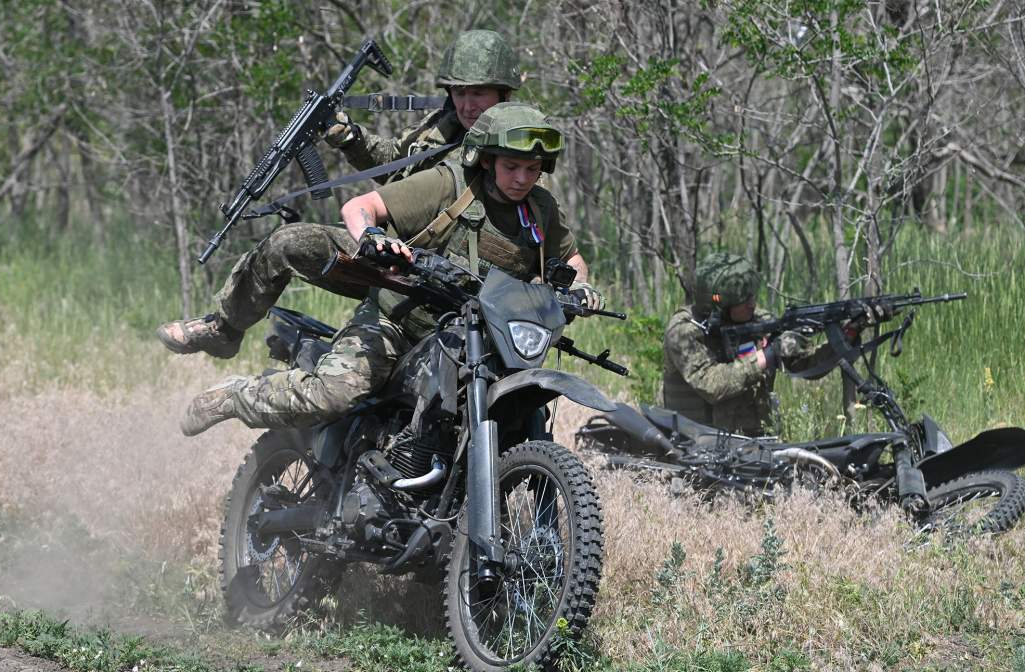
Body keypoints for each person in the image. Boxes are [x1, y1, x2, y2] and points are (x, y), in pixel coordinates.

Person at [157, 102, 602, 436]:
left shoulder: (541, 209)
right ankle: (236, 396)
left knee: (529, 417)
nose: (522, 178)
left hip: (478, 344)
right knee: (335, 392)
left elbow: (572, 260)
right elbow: (361, 206)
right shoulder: (450, 184)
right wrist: (372, 236)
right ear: (486, 160)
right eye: (511, 166)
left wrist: (581, 287)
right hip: (397, 320)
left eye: (532, 169)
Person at [662, 252, 886, 436]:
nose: (753, 303)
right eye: (744, 300)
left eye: (752, 296)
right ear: (720, 306)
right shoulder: (684, 331)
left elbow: (807, 366)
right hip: (694, 441)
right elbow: (712, 384)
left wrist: (850, 331)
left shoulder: (760, 321)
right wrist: (768, 355)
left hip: (755, 439)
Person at [324, 29, 521, 182]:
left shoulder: (520, 141)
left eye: (478, 93)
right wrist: (352, 139)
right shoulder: (443, 125)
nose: (467, 106)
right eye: (460, 93)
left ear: (504, 93)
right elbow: (393, 161)